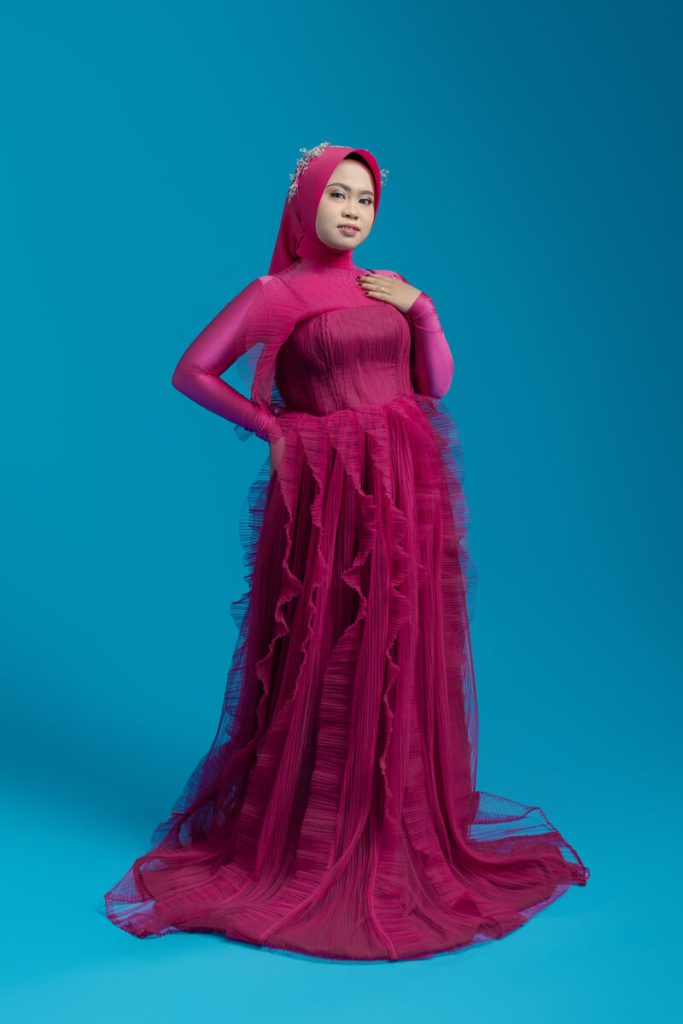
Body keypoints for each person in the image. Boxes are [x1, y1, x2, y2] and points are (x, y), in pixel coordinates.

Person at [103, 142, 589, 962]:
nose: (354, 210)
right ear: (306, 204)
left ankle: (395, 827)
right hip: (331, 493)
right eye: (339, 194)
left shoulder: (385, 287)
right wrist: (276, 432)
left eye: (365, 198)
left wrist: (421, 309)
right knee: (334, 642)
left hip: (406, 484)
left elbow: (433, 384)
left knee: (404, 644)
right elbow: (194, 371)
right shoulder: (276, 294)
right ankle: (322, 834)